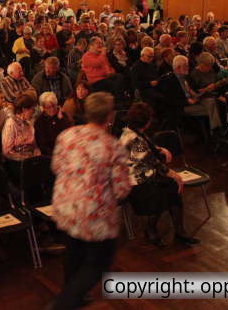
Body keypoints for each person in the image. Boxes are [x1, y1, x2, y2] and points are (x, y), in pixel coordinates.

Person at [50, 92, 131, 310]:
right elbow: (122, 188)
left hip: (66, 206)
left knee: (73, 251)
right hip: (94, 215)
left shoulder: (67, 135)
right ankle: (64, 304)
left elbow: (56, 167)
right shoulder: (112, 146)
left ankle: (72, 297)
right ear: (110, 116)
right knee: (99, 263)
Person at [120, 102, 199, 248]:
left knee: (171, 188)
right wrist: (176, 175)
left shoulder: (130, 131)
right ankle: (152, 229)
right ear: (147, 121)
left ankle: (178, 231)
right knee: (168, 188)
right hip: (135, 183)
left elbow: (150, 148)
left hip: (142, 176)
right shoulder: (135, 139)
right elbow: (154, 162)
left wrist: (160, 148)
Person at [1, 93, 40, 162]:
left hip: (30, 159)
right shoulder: (11, 124)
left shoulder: (28, 123)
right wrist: (27, 159)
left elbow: (34, 145)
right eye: (32, 109)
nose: (33, 112)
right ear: (24, 110)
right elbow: (7, 152)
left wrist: (37, 155)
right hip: (17, 162)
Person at [34, 92, 72, 157]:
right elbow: (43, 145)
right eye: (48, 107)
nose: (52, 109)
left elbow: (69, 133)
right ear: (43, 108)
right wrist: (56, 155)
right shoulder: (39, 122)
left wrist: (61, 119)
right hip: (51, 155)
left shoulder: (62, 116)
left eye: (53, 105)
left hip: (66, 150)